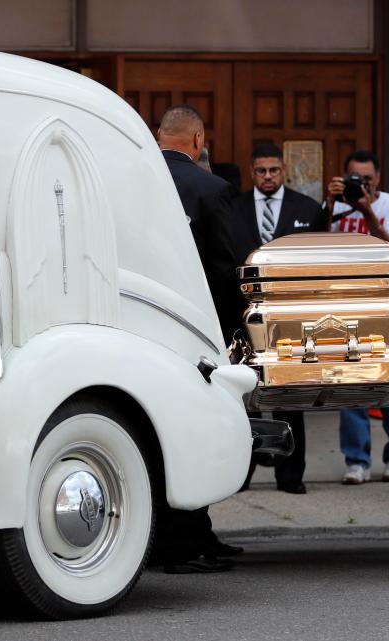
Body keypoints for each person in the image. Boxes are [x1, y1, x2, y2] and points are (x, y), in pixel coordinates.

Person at [154, 104, 242, 573]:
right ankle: (181, 543)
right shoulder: (211, 188)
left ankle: (197, 533)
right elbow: (226, 264)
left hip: (140, 321)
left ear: (157, 134)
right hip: (195, 327)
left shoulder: (127, 182)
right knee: (195, 430)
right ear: (198, 139)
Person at [232, 143, 329, 494]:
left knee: (290, 397)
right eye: (261, 171)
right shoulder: (234, 207)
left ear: (284, 170)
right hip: (243, 317)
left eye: (274, 170)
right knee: (242, 395)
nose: (268, 177)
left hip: (292, 318)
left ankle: (291, 476)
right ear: (252, 171)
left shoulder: (307, 208)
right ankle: (239, 474)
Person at [326, 150, 389, 484]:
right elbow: (318, 243)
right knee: (348, 382)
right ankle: (356, 460)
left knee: (387, 381)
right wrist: (330, 205)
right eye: (355, 178)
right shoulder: (335, 205)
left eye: (368, 178)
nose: (362, 184)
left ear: (378, 178)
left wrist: (367, 211)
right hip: (344, 301)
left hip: (383, 302)